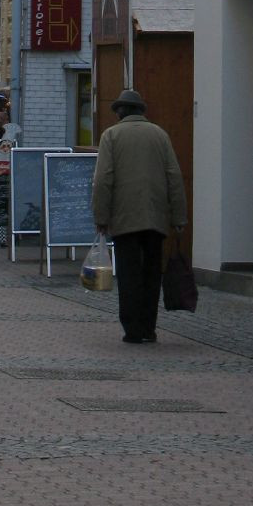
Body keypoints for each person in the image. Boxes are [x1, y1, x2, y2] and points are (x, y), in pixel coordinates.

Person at [90, 87, 187, 345]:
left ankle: (132, 329)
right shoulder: (160, 135)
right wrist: (179, 217)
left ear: (121, 112)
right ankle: (149, 327)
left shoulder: (111, 136)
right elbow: (174, 177)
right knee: (152, 273)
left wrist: (101, 216)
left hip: (124, 219)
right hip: (155, 218)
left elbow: (103, 180)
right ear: (140, 111)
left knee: (129, 274)